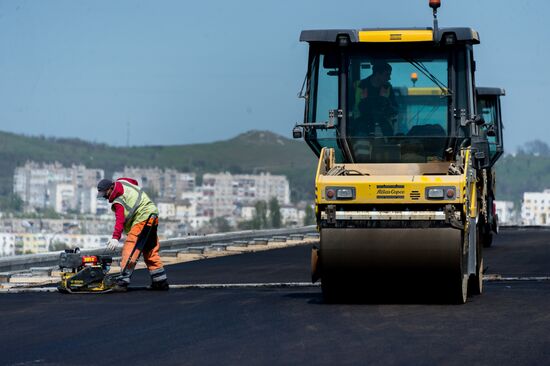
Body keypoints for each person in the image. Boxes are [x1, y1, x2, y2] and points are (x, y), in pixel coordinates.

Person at [97, 177, 169, 291]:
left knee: (129, 249)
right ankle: (160, 281)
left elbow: (119, 220)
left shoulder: (118, 201)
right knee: (149, 250)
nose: (105, 197)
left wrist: (115, 238)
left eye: (105, 194)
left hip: (142, 218)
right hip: (153, 214)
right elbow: (134, 182)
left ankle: (122, 282)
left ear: (111, 188)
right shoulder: (122, 181)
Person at [355, 60, 398, 136]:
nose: (389, 78)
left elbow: (395, 108)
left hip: (384, 126)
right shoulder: (358, 86)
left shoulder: (388, 88)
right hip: (361, 126)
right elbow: (348, 108)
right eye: (387, 75)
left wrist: (389, 107)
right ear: (377, 74)